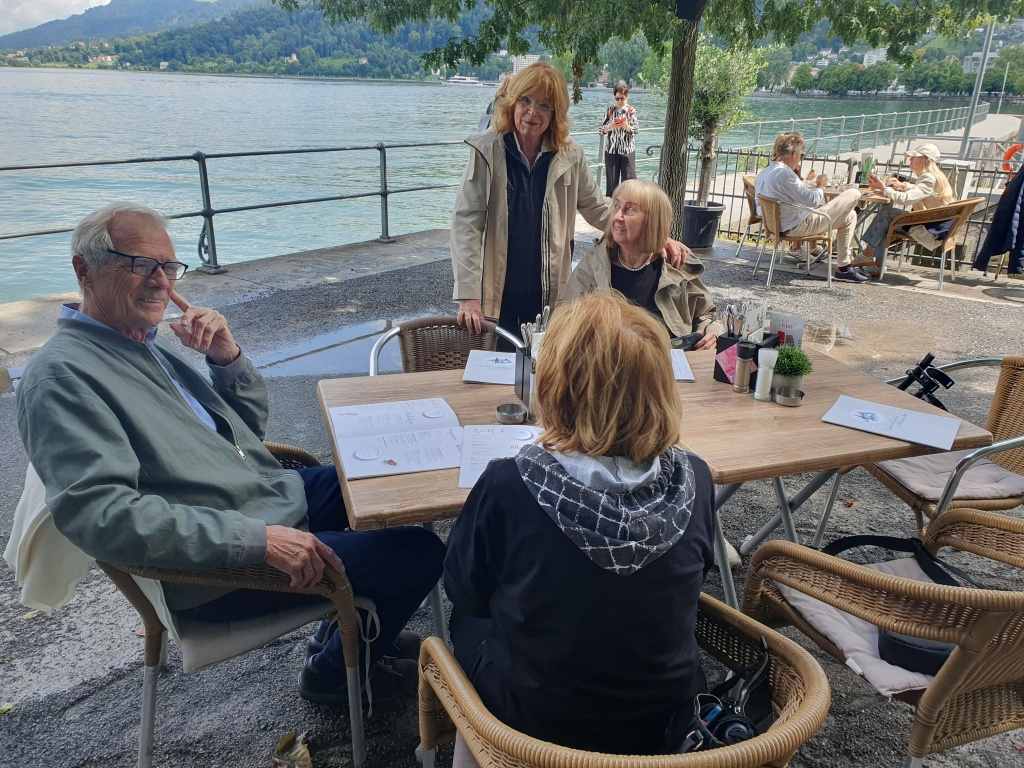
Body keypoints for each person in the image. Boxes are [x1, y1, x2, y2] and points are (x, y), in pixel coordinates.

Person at [15, 203, 445, 704]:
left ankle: (352, 633)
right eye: (140, 264)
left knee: (386, 485)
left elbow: (243, 438)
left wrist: (226, 356)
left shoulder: (138, 343)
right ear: (83, 269)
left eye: (167, 266)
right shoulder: (62, 376)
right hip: (219, 564)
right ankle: (332, 678)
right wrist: (257, 541)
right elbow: (103, 518)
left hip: (258, 499)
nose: (160, 281)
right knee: (419, 552)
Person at [445, 292, 715, 755]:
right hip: (663, 722)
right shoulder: (696, 478)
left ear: (555, 387)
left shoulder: (510, 484)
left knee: (467, 618)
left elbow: (464, 589)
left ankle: (474, 745)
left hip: (534, 727)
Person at [450, 62, 688, 344]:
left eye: (544, 106)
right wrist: (468, 295)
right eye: (525, 101)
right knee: (496, 366)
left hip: (549, 294)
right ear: (512, 103)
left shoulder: (570, 155)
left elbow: (598, 208)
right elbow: (467, 224)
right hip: (496, 292)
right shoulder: (487, 150)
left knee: (547, 363)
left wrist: (655, 235)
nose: (532, 113)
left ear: (555, 113)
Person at [565, 179, 721, 350]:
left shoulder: (675, 263)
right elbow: (565, 319)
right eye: (616, 206)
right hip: (607, 361)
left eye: (629, 210)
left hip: (669, 361)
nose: (617, 217)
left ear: (652, 221)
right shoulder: (594, 264)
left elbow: (706, 314)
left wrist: (710, 332)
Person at [754, 131, 867, 283]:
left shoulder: (765, 172)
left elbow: (792, 192)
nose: (800, 158)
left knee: (850, 216)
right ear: (793, 154)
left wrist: (807, 183)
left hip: (775, 226)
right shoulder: (785, 174)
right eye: (801, 154)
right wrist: (821, 186)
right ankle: (842, 265)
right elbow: (812, 200)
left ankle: (844, 267)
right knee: (854, 193)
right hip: (796, 226)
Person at [860, 142, 955, 272]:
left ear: (924, 159)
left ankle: (868, 255)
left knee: (887, 213)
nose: (910, 160)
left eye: (913, 157)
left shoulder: (928, 178)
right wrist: (902, 185)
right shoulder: (936, 176)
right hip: (935, 226)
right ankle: (873, 262)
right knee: (887, 220)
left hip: (929, 232)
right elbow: (922, 191)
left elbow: (906, 199)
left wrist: (884, 189)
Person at [599, 81, 639, 196]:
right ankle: (612, 205)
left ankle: (628, 205)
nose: (620, 101)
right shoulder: (610, 110)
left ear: (626, 97)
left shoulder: (631, 111)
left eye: (622, 98)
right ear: (614, 97)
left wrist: (626, 126)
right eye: (617, 98)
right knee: (612, 185)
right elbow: (601, 130)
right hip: (611, 151)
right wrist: (610, 126)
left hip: (627, 151)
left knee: (629, 183)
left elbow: (636, 130)